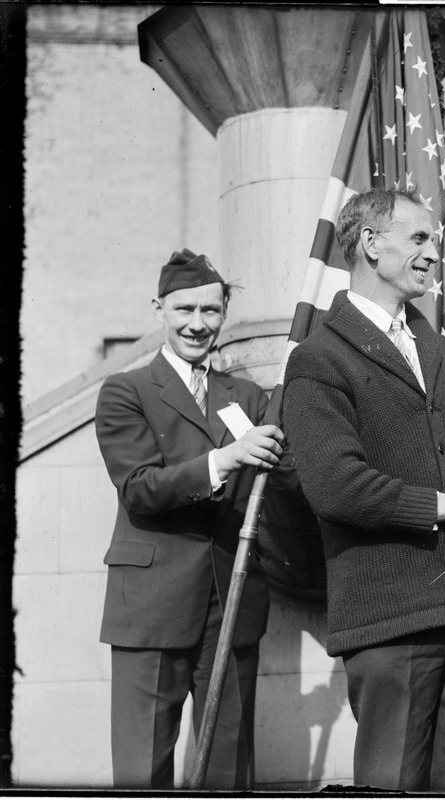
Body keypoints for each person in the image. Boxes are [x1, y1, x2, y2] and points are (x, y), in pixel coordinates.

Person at [280, 189, 445, 793]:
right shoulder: (318, 358)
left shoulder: (437, 349)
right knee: (395, 785)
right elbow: (337, 487)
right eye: (418, 238)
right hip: (392, 621)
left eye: (434, 241)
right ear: (370, 243)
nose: (433, 253)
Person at [95, 249, 283, 789]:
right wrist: (226, 458)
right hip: (152, 604)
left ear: (224, 313)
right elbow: (139, 489)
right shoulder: (125, 391)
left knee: (229, 767)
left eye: (210, 311)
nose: (197, 324)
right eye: (184, 310)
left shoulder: (246, 397)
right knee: (141, 771)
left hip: (232, 600)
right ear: (160, 310)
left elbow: (279, 485)